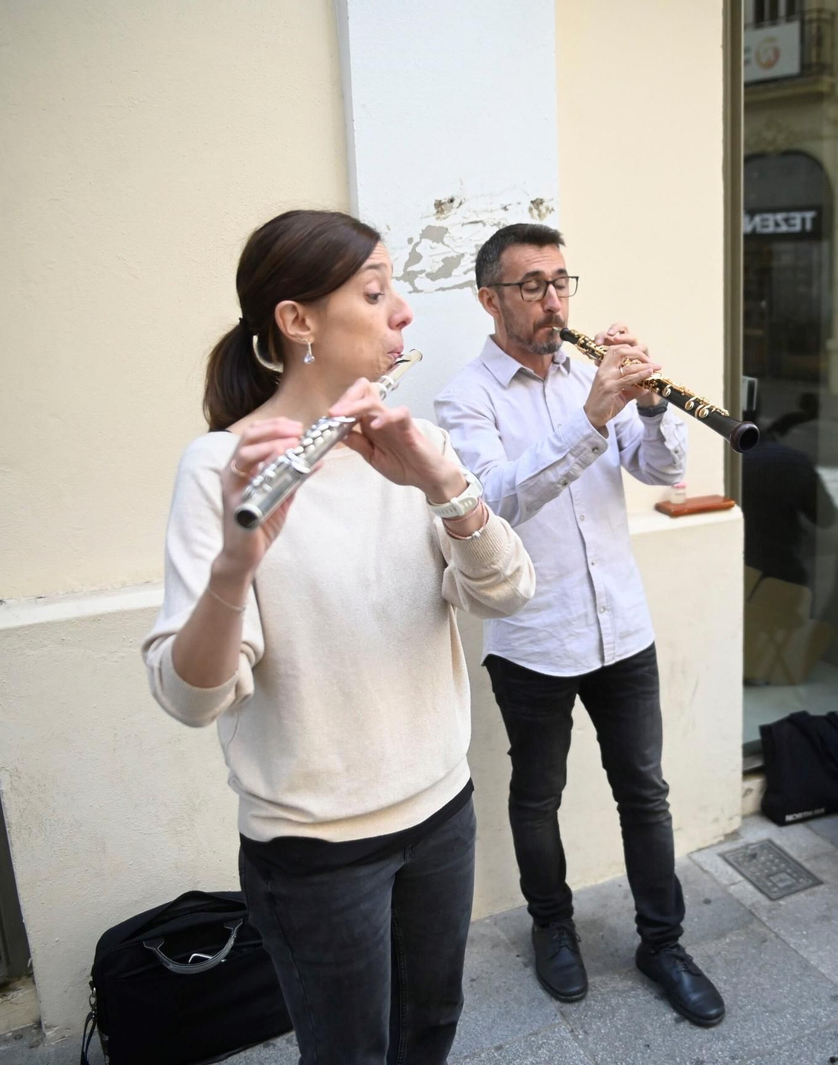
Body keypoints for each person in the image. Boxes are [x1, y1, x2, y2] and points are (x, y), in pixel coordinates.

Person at [141, 209, 535, 1065]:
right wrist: (233, 570)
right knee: (348, 1053)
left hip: (440, 810)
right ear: (297, 321)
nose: (402, 311)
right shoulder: (221, 469)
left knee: (430, 1028)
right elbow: (191, 695)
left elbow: (508, 591)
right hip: (315, 851)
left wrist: (444, 487)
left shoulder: (411, 442)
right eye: (375, 290)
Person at [434, 224, 726, 1027]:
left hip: (622, 630)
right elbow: (492, 502)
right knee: (537, 798)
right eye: (532, 284)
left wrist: (656, 403)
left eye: (562, 280)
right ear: (490, 298)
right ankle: (551, 927)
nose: (554, 299)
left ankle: (663, 942)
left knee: (646, 793)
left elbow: (662, 468)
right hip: (533, 636)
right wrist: (591, 419)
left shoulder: (589, 374)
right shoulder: (466, 397)